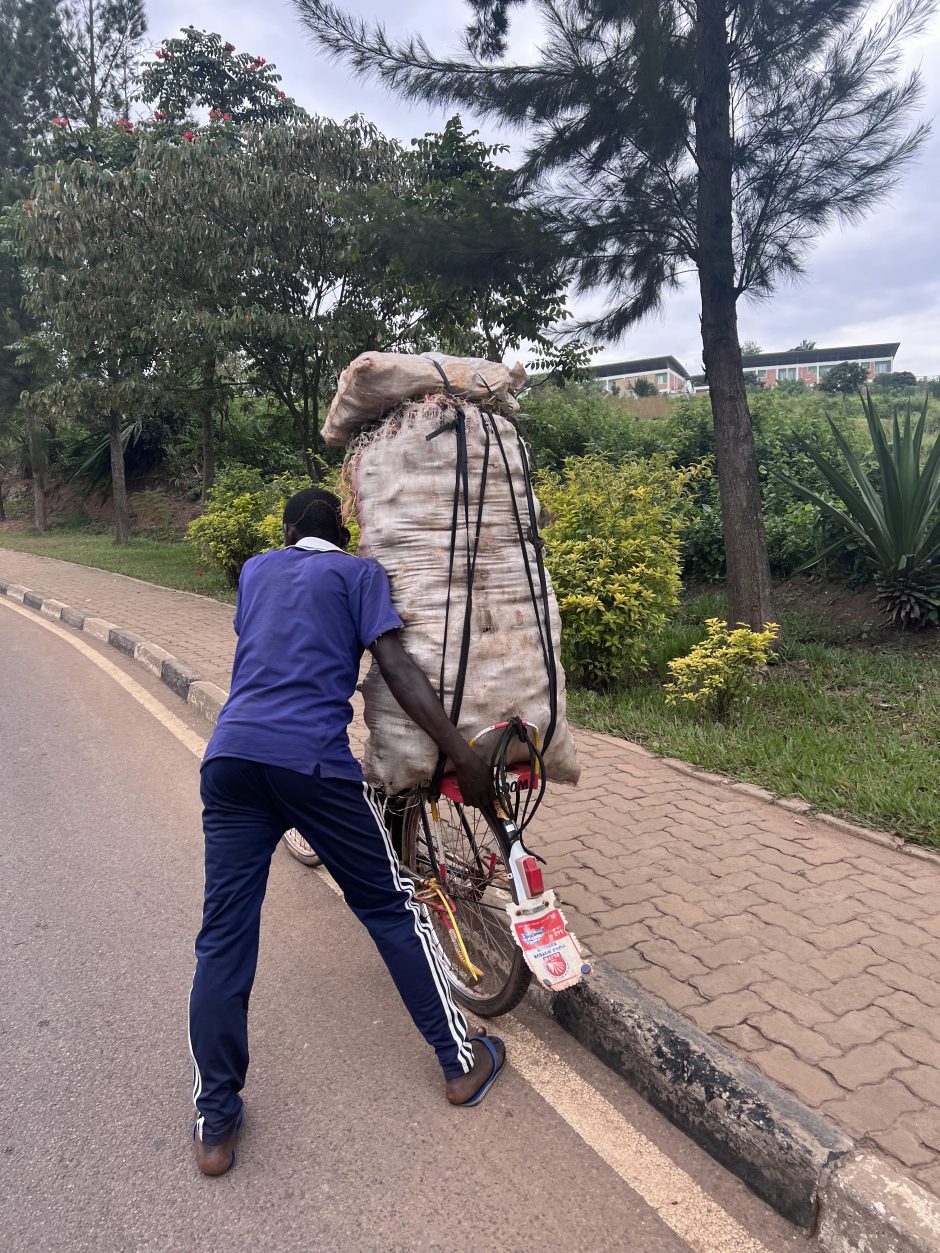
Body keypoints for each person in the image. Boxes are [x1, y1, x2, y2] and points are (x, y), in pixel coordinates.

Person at [189, 487, 506, 1176]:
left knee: (222, 938)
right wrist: (461, 753)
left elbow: (264, 641)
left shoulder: (255, 569)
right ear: (346, 531)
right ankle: (459, 1061)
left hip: (231, 759)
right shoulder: (360, 574)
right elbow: (394, 664)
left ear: (287, 528)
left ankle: (216, 1120)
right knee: (391, 907)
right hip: (311, 764)